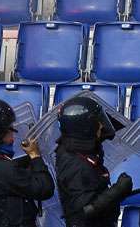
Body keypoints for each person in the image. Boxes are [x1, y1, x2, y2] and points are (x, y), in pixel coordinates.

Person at [0, 98, 55, 227]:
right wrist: (35, 156)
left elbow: (7, 175)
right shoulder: (3, 168)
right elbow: (44, 188)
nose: (13, 139)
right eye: (9, 132)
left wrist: (26, 159)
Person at [55, 96, 133, 227]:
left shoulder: (76, 147)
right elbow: (85, 210)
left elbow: (106, 134)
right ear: (86, 127)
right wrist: (118, 191)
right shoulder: (76, 165)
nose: (102, 125)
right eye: (98, 122)